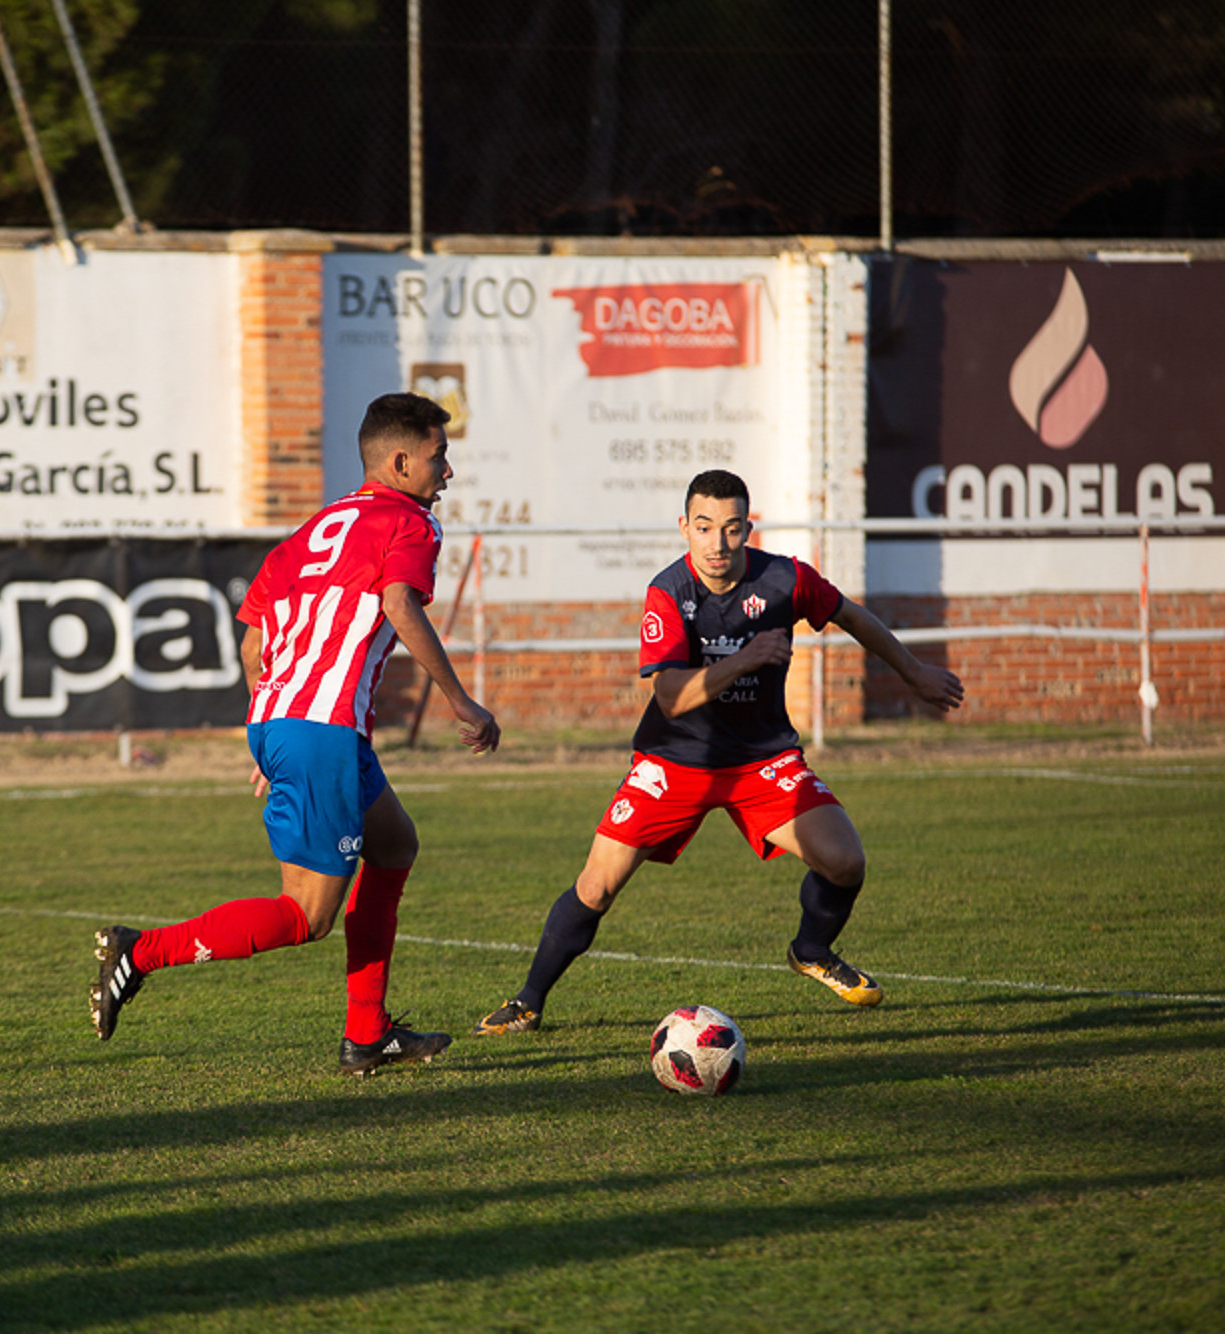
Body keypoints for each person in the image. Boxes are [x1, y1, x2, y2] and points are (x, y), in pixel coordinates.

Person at [90, 392, 501, 1075]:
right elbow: (398, 603)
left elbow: (253, 649)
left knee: (395, 844)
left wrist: (272, 725)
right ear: (400, 462)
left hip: (291, 723)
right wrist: (461, 702)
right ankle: (140, 952)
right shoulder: (410, 523)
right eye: (439, 456)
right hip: (322, 731)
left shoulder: (313, 531)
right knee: (306, 916)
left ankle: (366, 1035)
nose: (448, 472)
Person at [474, 468, 963, 1035]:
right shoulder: (669, 592)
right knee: (597, 886)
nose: (718, 544)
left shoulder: (785, 580)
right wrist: (745, 659)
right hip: (674, 760)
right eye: (704, 528)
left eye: (732, 529)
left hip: (761, 760)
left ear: (748, 529)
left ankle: (810, 949)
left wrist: (913, 672)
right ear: (684, 527)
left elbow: (851, 615)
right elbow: (671, 696)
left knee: (845, 861)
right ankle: (527, 1003)